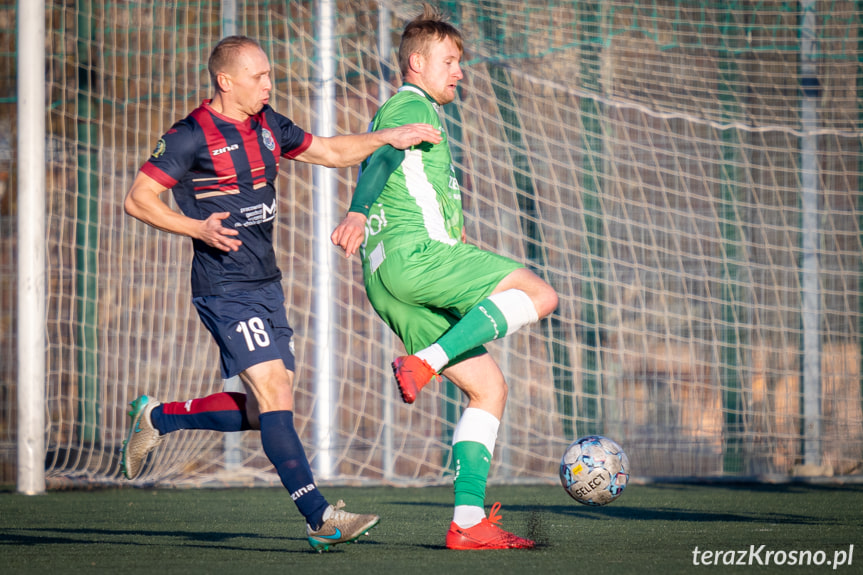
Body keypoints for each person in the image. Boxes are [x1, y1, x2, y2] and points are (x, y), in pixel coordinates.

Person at [122, 34, 441, 553]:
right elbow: (139, 199)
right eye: (259, 77)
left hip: (266, 283)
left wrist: (389, 137)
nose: (269, 85)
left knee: (263, 410)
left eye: (269, 75)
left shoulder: (268, 124)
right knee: (275, 394)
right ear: (226, 82)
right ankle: (320, 518)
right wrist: (196, 229)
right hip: (224, 287)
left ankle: (159, 418)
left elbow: (333, 152)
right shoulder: (189, 136)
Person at [331, 4, 558, 550]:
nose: (459, 71)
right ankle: (424, 363)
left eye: (460, 61)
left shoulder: (414, 110)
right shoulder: (411, 105)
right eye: (450, 60)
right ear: (416, 63)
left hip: (389, 281)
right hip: (416, 257)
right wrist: (358, 210)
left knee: (489, 389)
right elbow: (380, 159)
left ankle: (467, 522)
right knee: (540, 294)